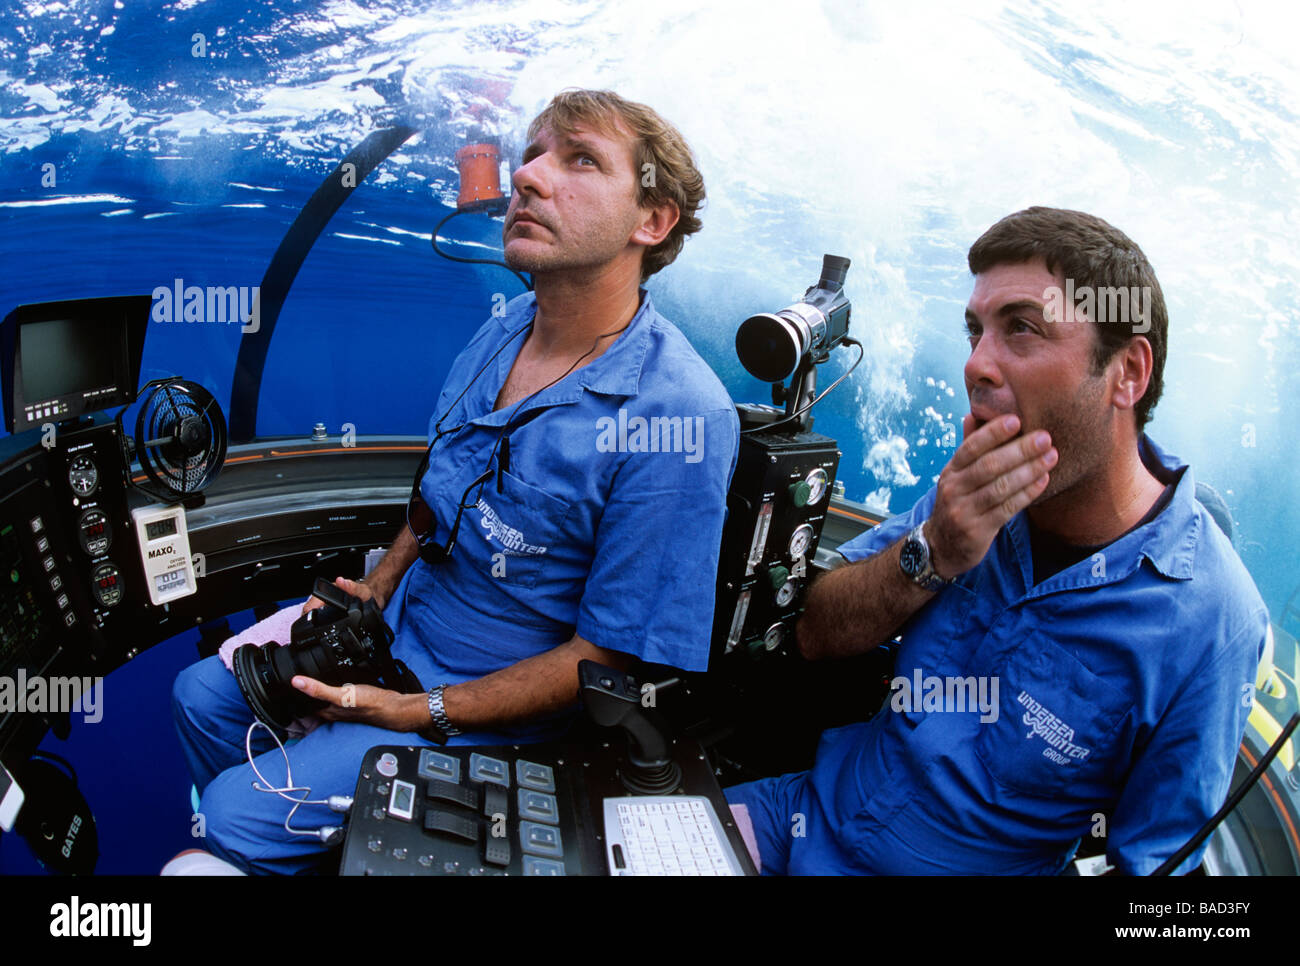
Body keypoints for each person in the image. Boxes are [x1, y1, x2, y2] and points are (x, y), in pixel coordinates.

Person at [172, 89, 740, 874]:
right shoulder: (501, 328)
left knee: (233, 816)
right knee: (198, 698)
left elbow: (603, 662)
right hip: (393, 632)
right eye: (533, 153)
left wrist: (412, 713)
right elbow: (443, 491)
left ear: (654, 221)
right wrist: (376, 586)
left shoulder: (681, 415)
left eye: (580, 159)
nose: (530, 177)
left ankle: (283, 837)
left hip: (487, 714)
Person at [725, 206, 1267, 875]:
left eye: (1022, 330)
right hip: (801, 818)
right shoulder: (974, 489)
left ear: (1127, 372)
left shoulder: (1212, 624)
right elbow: (812, 633)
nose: (977, 365)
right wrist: (933, 553)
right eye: (975, 332)